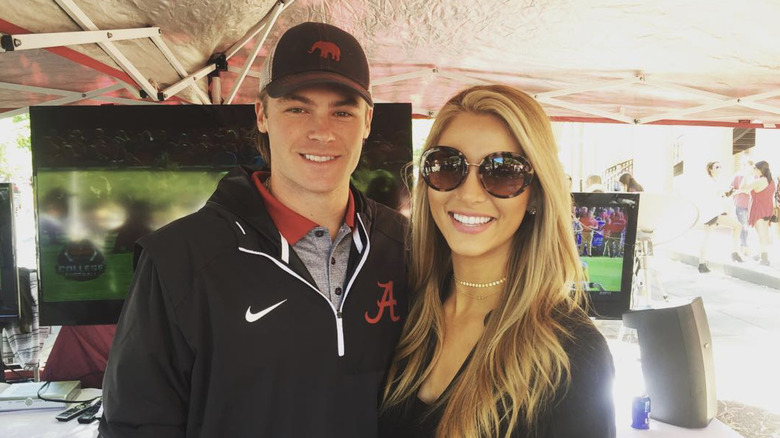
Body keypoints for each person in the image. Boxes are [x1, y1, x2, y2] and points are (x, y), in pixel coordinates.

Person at [99, 22, 409, 438]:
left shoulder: (405, 246)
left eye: (343, 111)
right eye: (298, 108)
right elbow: (134, 426)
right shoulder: (178, 259)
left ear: (368, 121)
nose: (322, 131)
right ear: (262, 114)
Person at [379, 85, 615, 437]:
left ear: (535, 192)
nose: (469, 193)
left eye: (504, 172)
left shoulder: (573, 353)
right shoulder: (400, 312)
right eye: (447, 165)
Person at [697, 161, 744, 273]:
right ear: (710, 169)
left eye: (720, 166)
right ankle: (734, 252)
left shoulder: (714, 181)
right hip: (712, 214)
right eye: (717, 167)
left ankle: (702, 263)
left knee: (707, 238)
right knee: (737, 226)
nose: (719, 169)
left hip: (714, 213)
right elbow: (715, 195)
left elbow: (720, 196)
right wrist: (726, 192)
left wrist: (728, 193)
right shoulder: (709, 182)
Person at [741, 160, 775, 266]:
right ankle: (761, 254)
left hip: (758, 210)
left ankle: (764, 258)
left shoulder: (759, 181)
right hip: (767, 209)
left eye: (755, 168)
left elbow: (743, 189)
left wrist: (746, 175)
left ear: (760, 170)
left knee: (761, 235)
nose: (753, 170)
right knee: (764, 233)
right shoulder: (771, 180)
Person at [730, 160, 753, 257]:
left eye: (747, 165)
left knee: (747, 227)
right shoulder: (737, 176)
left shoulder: (755, 177)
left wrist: (745, 190)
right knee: (743, 226)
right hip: (740, 205)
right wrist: (742, 190)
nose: (745, 167)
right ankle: (744, 246)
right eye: (744, 164)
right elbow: (730, 191)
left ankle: (743, 246)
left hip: (752, 206)